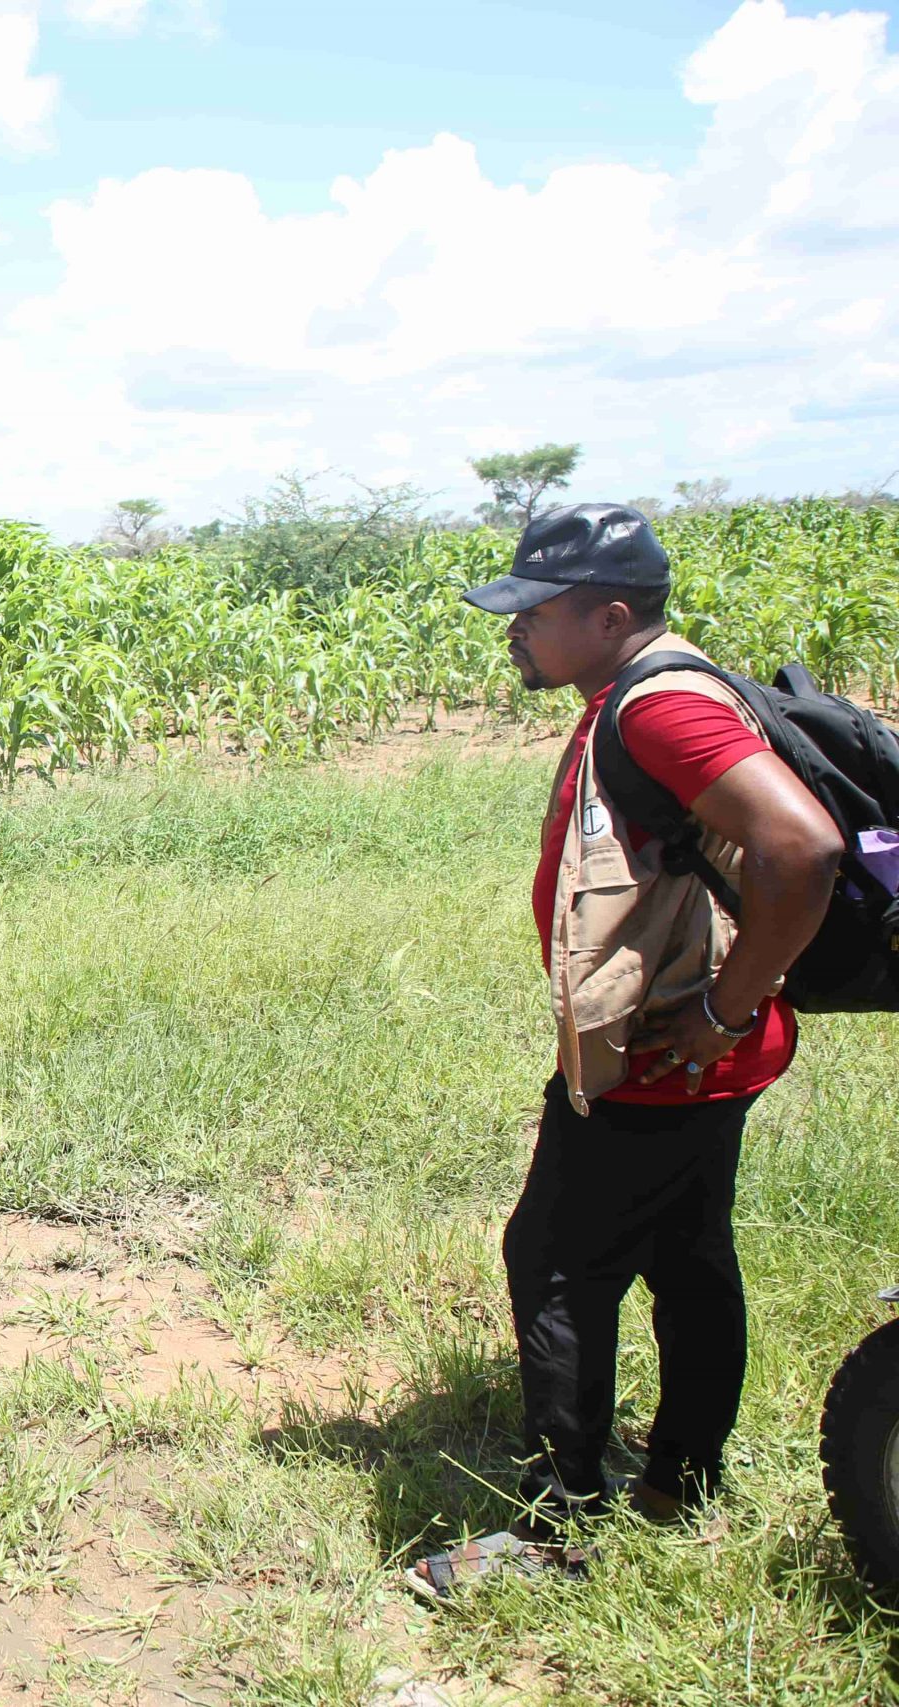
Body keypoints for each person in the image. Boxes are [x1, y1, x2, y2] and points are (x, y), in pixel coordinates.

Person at [406, 503, 842, 1601]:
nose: (512, 631)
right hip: (698, 1051)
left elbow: (801, 846)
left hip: (665, 1053)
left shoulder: (657, 711)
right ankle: (682, 1481)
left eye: (532, 613)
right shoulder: (659, 685)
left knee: (552, 1260)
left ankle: (560, 1531)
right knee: (688, 1252)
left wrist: (728, 1012)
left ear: (607, 617)